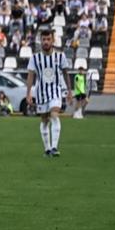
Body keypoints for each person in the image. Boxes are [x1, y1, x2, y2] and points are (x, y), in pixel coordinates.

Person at [25, 29, 72, 158]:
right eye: (44, 39)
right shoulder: (35, 58)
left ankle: (54, 147)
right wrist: (28, 93)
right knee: (45, 120)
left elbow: (66, 73)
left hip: (55, 91)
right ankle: (47, 149)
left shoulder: (60, 56)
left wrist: (69, 91)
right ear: (41, 41)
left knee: (54, 115)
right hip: (41, 93)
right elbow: (30, 76)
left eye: (48, 39)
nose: (46, 42)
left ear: (53, 40)